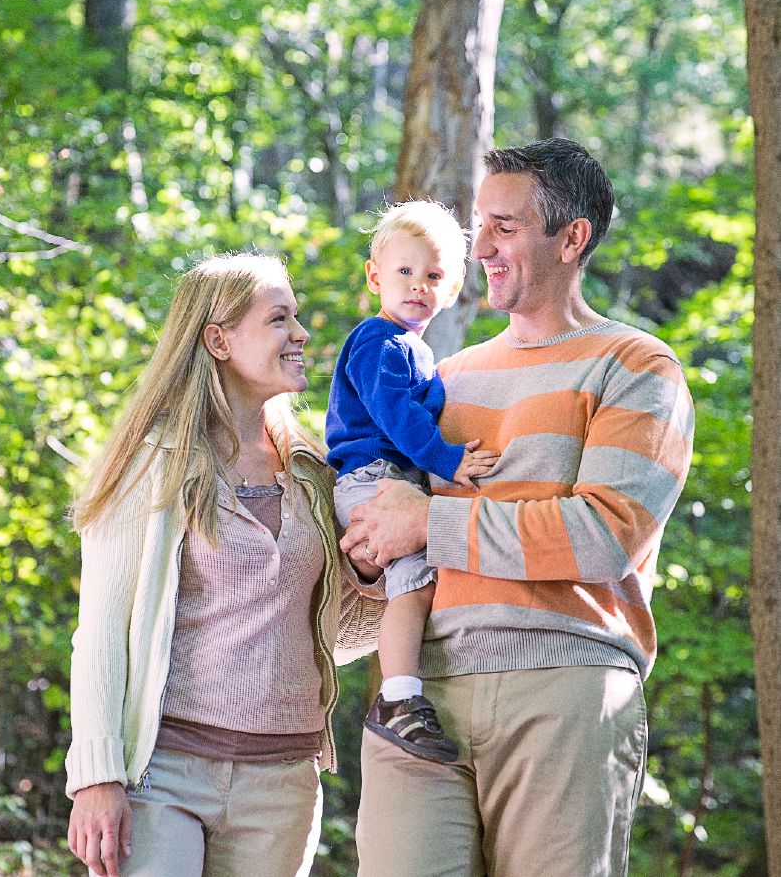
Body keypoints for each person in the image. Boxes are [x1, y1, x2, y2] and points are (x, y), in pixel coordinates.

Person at [341, 138, 695, 877]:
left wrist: (425, 522)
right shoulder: (446, 377)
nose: (483, 247)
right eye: (482, 224)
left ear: (573, 238)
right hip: (418, 699)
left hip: (562, 689)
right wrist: (371, 544)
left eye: (507, 226)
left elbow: (604, 537)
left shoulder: (634, 366)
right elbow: (388, 527)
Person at [65, 253, 384, 877]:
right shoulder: (152, 464)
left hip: (286, 781)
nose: (301, 334)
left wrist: (368, 581)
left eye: (296, 318)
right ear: (218, 339)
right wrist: (96, 776)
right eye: (279, 319)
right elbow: (102, 628)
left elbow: (329, 637)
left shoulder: (313, 473)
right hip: (164, 772)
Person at [326, 200, 499, 764]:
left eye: (433, 276)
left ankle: (404, 688)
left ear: (451, 290)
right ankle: (399, 696)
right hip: (371, 479)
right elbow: (398, 417)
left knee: (420, 576)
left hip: (390, 481)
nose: (418, 286)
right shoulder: (381, 343)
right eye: (403, 271)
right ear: (375, 275)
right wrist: (448, 462)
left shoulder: (417, 349)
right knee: (416, 575)